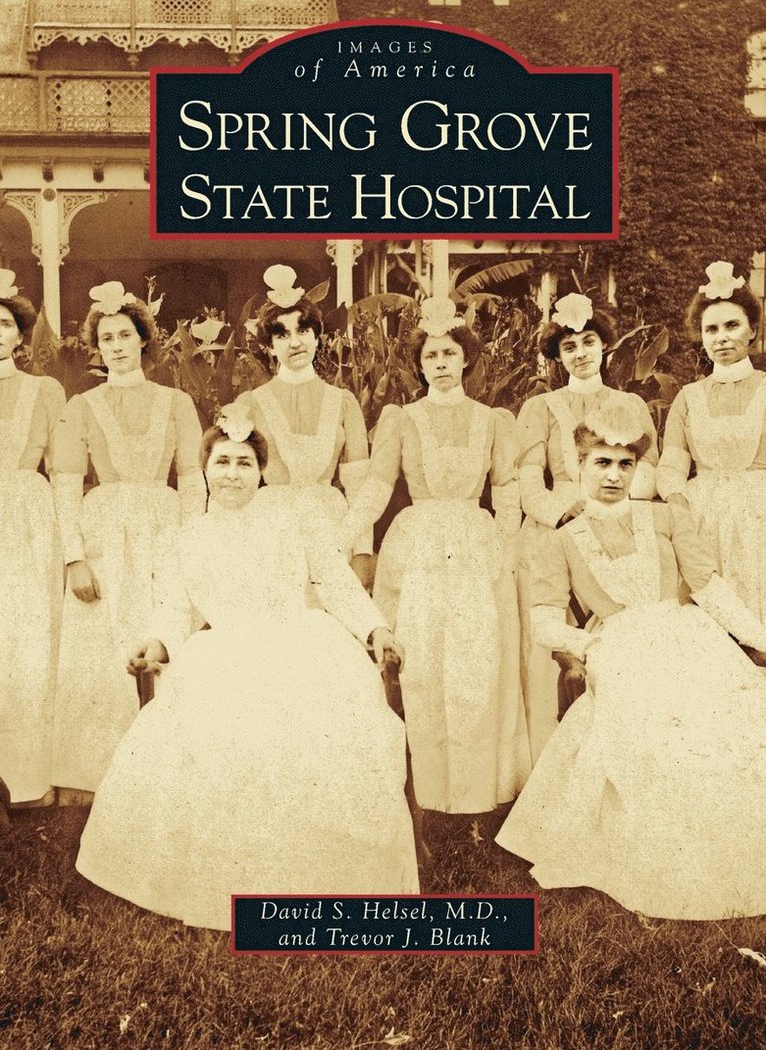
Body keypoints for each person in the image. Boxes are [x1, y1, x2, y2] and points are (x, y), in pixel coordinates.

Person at [75, 412, 419, 929]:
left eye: (244, 463)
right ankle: (228, 876)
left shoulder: (294, 523)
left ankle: (317, 875)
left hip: (303, 647)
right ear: (205, 469)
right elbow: (175, 609)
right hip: (224, 651)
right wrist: (156, 643)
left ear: (261, 472)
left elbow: (336, 583)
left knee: (327, 734)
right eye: (222, 463)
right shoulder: (187, 537)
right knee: (213, 733)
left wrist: (376, 630)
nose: (232, 474)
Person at [495, 397, 766, 920]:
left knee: (725, 722)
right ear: (580, 464)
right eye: (602, 462)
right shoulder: (562, 540)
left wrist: (761, 637)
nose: (614, 476)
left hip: (686, 635)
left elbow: (709, 588)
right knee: (646, 717)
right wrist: (591, 645)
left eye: (626, 464)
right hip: (617, 645)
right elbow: (546, 622)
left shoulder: (665, 518)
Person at [341, 296, 530, 815]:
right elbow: (378, 486)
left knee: (476, 661)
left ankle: (478, 792)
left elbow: (506, 489)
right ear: (420, 364)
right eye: (431, 356)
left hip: (475, 546)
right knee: (421, 663)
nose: (441, 363)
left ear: (465, 358)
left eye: (449, 353)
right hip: (419, 545)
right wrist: (341, 538)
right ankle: (422, 792)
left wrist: (507, 551)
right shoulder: (401, 418)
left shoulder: (493, 420)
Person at [51, 281, 206, 794]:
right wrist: (74, 557)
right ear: (97, 347)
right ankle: (98, 775)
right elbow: (66, 484)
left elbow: (192, 479)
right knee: (102, 647)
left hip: (162, 526)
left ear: (143, 339)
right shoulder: (81, 406)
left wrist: (193, 545)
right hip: (104, 532)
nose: (116, 346)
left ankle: (168, 774)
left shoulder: (177, 402)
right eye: (107, 338)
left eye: (125, 335)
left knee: (164, 632)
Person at [516, 292, 658, 763]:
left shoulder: (629, 403)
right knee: (553, 648)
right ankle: (552, 762)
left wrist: (611, 508)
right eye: (569, 346)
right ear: (557, 356)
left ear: (604, 346)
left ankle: (619, 756)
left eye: (589, 342)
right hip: (555, 526)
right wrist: (563, 514)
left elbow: (648, 472)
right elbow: (529, 481)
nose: (580, 353)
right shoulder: (540, 407)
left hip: (617, 527)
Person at [235, 264, 373, 582]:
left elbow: (359, 487)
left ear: (316, 335)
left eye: (303, 331)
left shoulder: (343, 403)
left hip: (331, 526)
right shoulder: (250, 404)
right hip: (270, 528)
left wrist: (363, 552)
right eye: (282, 335)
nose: (295, 342)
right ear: (269, 346)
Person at [657, 260, 766, 619]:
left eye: (732, 325)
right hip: (700, 515)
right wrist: (678, 506)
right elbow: (672, 465)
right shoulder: (689, 397)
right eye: (711, 329)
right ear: (701, 337)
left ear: (752, 330)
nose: (721, 337)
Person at [0, 269, 65, 807]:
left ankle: (26, 778)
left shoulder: (45, 390)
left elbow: (63, 467)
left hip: (25, 514)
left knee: (24, 635)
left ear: (20, 333)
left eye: (3, 323)